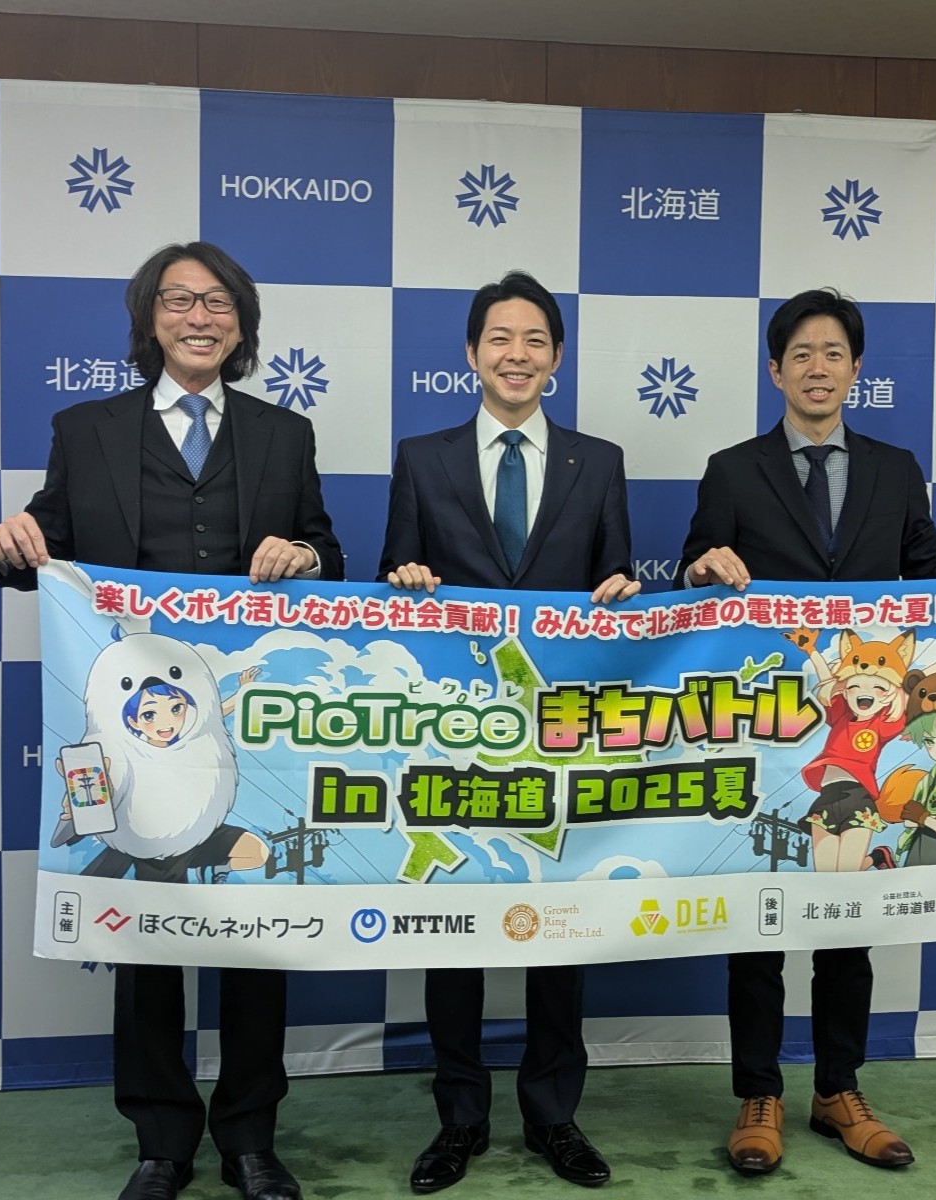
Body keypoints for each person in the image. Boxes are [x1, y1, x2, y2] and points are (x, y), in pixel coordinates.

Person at [0, 241, 342, 1200]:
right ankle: (162, 1142)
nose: (199, 317)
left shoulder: (284, 434)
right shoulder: (86, 429)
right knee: (144, 935)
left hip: (247, 725)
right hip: (131, 725)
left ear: (242, 324)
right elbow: (44, 543)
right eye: (180, 300)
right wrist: (12, 544)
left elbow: (328, 551)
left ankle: (252, 1137)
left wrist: (305, 556)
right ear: (150, 319)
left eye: (218, 302)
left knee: (256, 930)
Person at [677, 288, 936, 1177]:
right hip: (769, 728)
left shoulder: (894, 469)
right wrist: (703, 569)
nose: (817, 368)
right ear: (775, 371)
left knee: (849, 913)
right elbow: (694, 581)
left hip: (864, 737)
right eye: (800, 353)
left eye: (833, 353)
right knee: (755, 922)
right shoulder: (732, 470)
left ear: (856, 370)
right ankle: (758, 1095)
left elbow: (928, 582)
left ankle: (838, 1089)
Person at [380, 271, 638, 1193]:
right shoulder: (424, 458)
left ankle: (553, 1115)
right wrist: (406, 581)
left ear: (556, 358)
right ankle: (459, 1118)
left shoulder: (597, 462)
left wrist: (624, 594)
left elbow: (617, 588)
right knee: (455, 927)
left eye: (534, 340)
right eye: (499, 338)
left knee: (558, 929)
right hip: (457, 733)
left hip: (562, 733)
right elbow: (391, 582)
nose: (516, 355)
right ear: (470, 353)